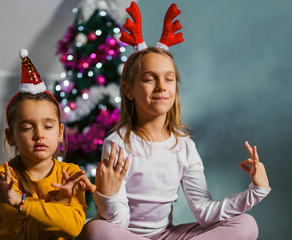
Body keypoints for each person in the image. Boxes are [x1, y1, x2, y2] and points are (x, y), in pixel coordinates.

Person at [80, 2, 270, 240]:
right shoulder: (117, 144)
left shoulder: (184, 145)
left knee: (246, 224)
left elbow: (204, 212)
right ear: (128, 90)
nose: (161, 86)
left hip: (168, 235)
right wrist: (107, 197)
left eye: (168, 79)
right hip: (130, 235)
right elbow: (119, 224)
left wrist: (255, 192)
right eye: (150, 79)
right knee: (95, 229)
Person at [0, 49, 96, 240]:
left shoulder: (71, 173)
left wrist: (20, 202)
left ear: (60, 133)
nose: (39, 135)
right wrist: (61, 203)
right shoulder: (5, 179)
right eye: (27, 127)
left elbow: (74, 228)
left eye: (48, 126)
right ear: (11, 137)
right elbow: (32, 235)